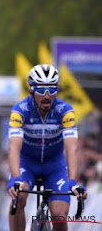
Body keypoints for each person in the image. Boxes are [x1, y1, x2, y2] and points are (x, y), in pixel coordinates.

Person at [7, 64, 87, 231]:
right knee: (19, 197)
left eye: (51, 90)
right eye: (41, 90)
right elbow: (13, 148)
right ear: (31, 90)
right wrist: (16, 179)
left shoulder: (65, 111)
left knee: (59, 216)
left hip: (55, 166)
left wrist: (73, 181)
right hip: (26, 163)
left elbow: (72, 149)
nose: (46, 95)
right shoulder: (20, 110)